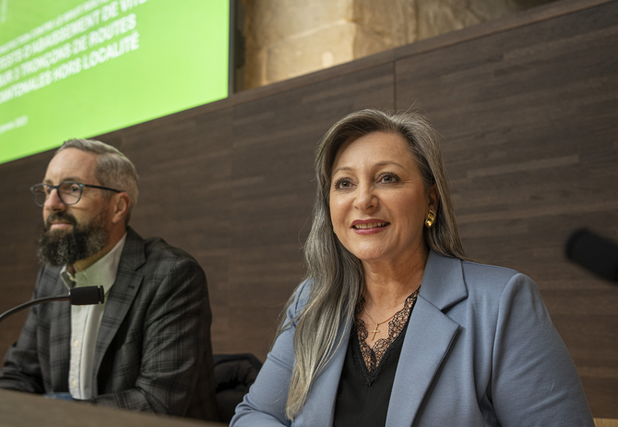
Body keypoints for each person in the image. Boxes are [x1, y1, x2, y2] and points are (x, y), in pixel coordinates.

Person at [231, 110, 594, 426]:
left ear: (430, 201)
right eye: (345, 183)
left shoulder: (501, 304)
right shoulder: (312, 299)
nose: (363, 200)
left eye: (387, 178)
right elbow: (254, 415)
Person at [0, 139, 219, 421]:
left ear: (118, 206)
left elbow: (156, 405)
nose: (51, 204)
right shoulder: (51, 276)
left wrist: (48, 413)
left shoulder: (172, 275)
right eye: (48, 189)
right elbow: (20, 374)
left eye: (72, 188)